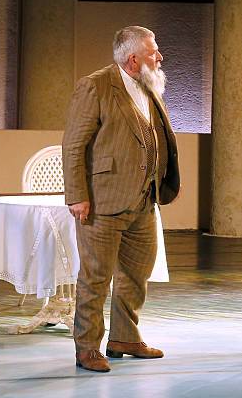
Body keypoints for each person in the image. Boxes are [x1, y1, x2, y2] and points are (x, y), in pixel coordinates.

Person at [62, 26, 180, 372]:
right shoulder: (95, 86)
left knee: (136, 274)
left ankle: (124, 337)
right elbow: (73, 145)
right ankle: (87, 347)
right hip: (103, 200)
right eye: (153, 52)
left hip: (145, 199)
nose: (159, 57)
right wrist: (77, 196)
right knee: (95, 278)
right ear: (133, 59)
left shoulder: (150, 85)